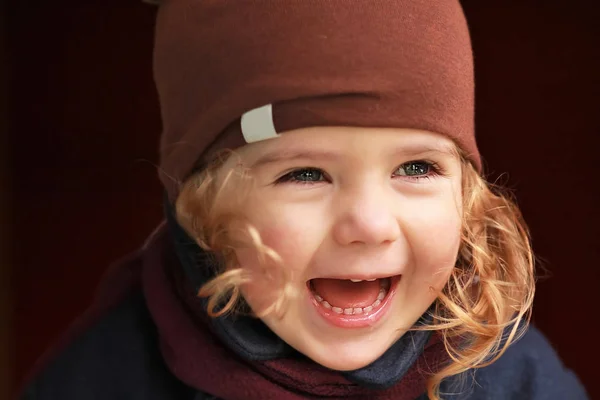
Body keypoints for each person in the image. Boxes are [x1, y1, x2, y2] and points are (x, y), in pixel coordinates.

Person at [18, 0, 588, 399]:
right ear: (201, 208)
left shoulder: (506, 372)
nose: (369, 225)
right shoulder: (112, 370)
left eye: (417, 168)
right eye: (305, 174)